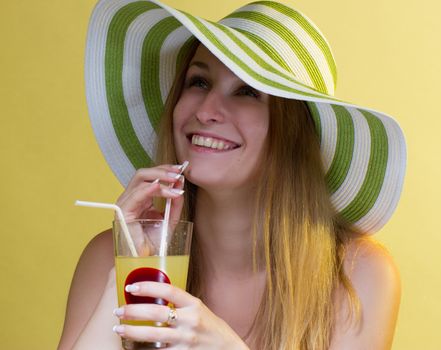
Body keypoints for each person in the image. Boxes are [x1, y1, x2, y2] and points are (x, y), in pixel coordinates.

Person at [58, 0, 406, 349]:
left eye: (246, 92)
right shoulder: (108, 256)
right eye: (198, 82)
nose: (207, 111)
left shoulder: (358, 276)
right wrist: (129, 265)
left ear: (293, 134)